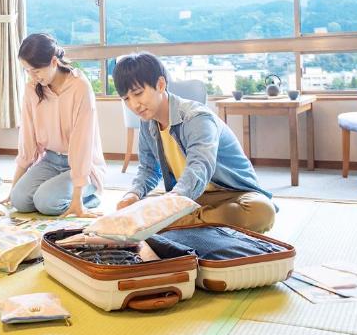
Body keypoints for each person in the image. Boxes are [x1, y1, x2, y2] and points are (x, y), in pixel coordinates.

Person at [113, 52, 276, 233]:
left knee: (261, 212)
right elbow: (149, 169)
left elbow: (200, 167)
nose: (134, 105)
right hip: (189, 196)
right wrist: (133, 194)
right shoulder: (147, 122)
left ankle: (171, 222)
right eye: (126, 99)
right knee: (136, 206)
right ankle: (187, 221)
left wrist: (170, 203)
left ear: (160, 84)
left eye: (138, 93)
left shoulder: (196, 117)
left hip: (231, 194)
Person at [6, 33, 107, 217]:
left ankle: (87, 197)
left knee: (45, 203)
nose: (32, 77)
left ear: (54, 62)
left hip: (83, 165)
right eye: (27, 71)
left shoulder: (80, 87)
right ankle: (56, 191)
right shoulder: (32, 89)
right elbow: (27, 140)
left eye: (35, 71)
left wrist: (77, 202)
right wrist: (12, 190)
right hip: (50, 160)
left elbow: (82, 145)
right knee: (19, 200)